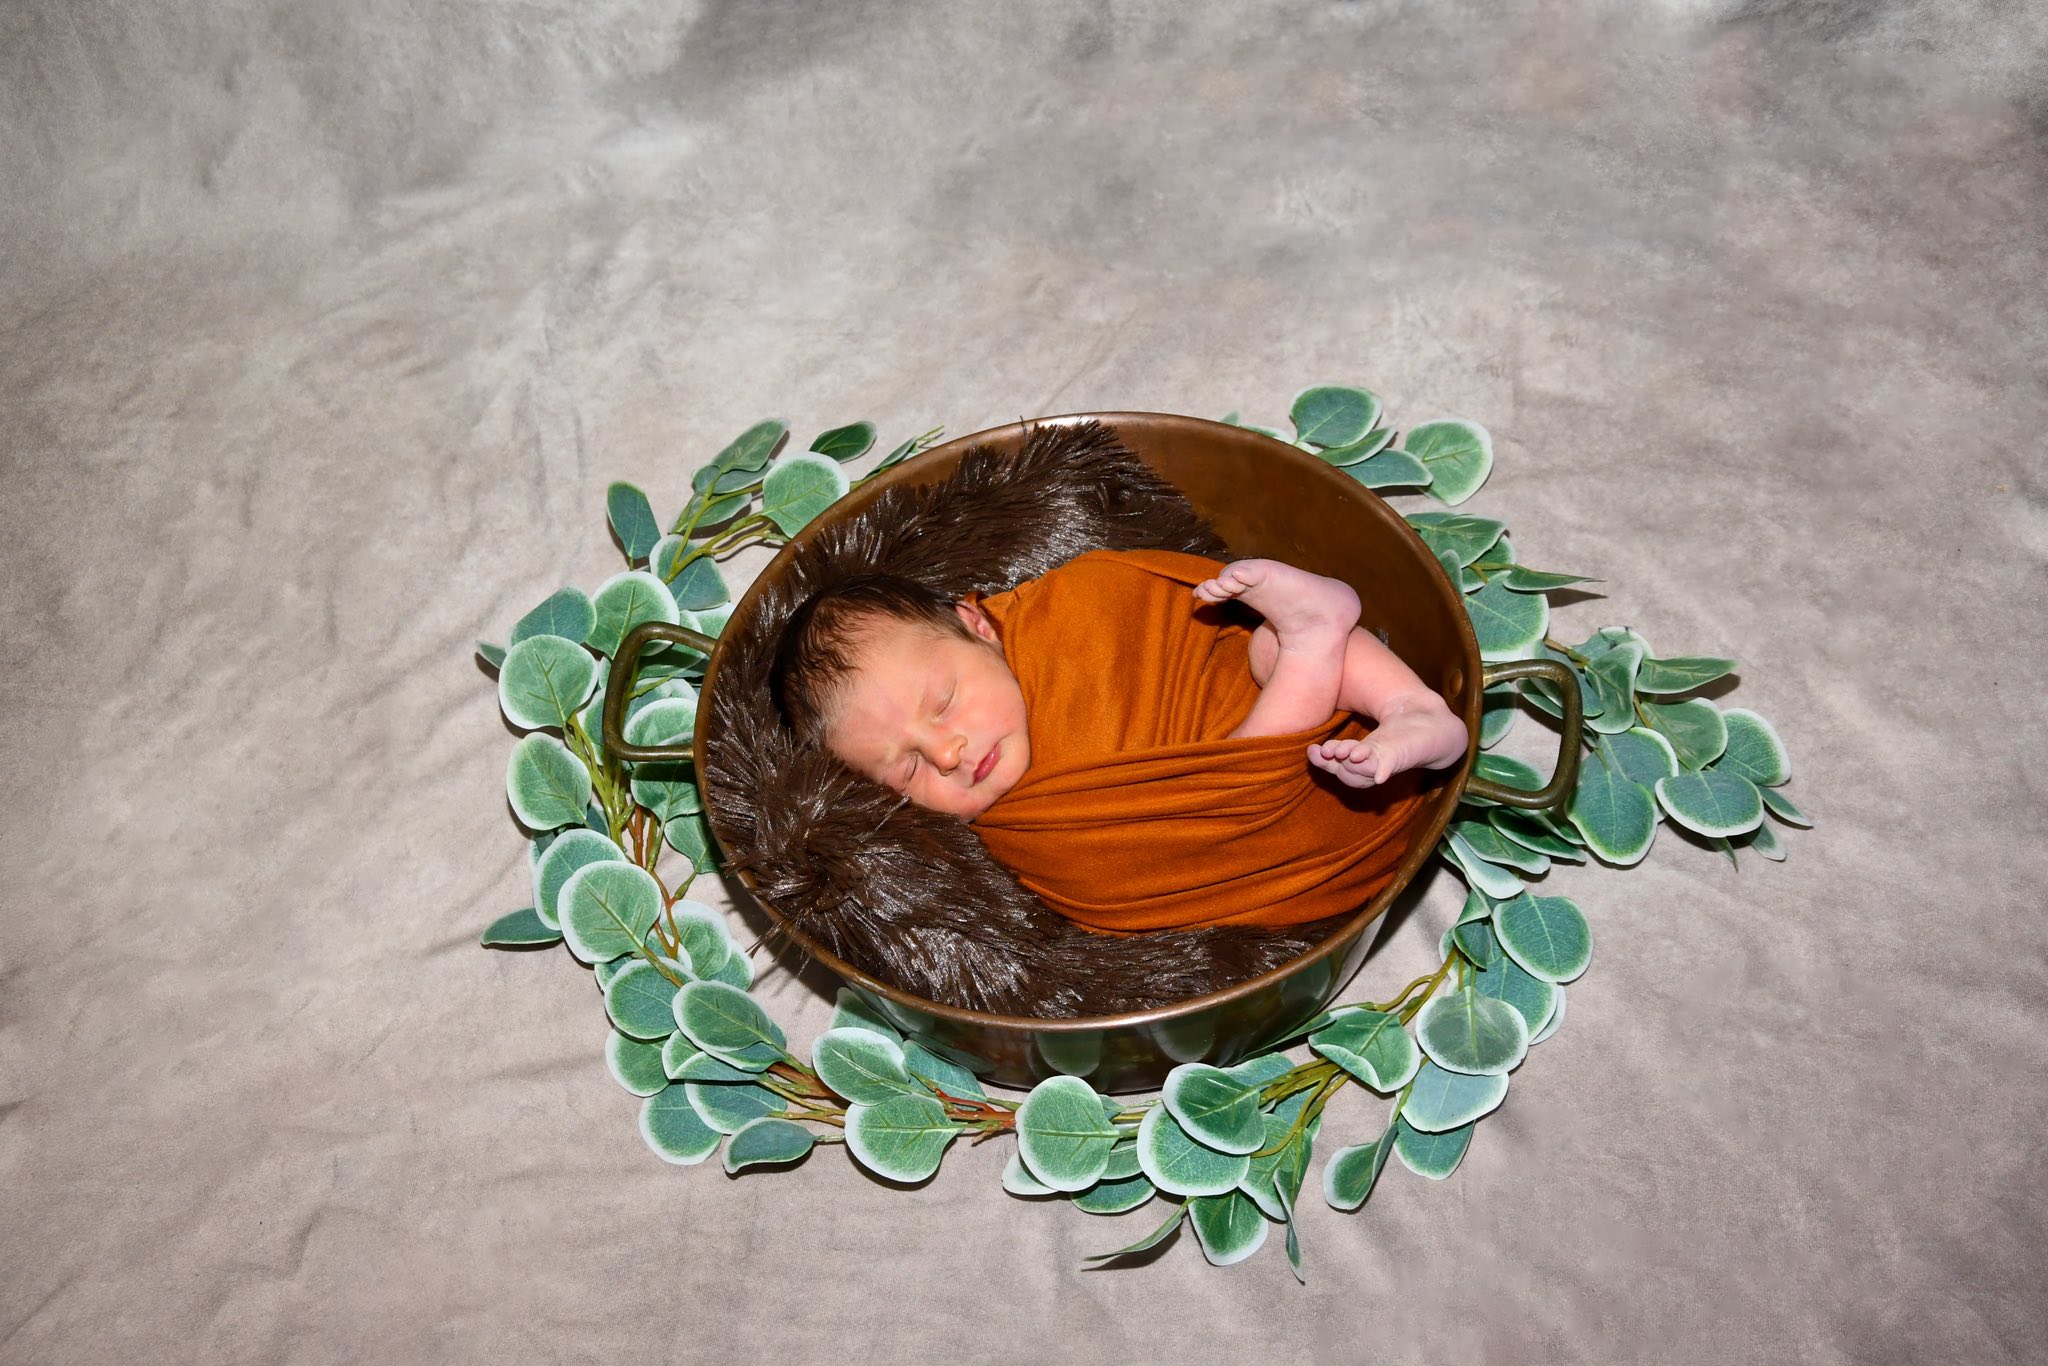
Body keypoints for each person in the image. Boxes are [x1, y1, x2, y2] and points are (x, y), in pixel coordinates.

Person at [770, 550, 1467, 932]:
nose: (949, 752)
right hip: (1273, 820)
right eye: (909, 766)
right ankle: (1314, 647)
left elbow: (1141, 611)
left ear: (976, 626)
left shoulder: (1066, 615)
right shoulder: (1016, 827)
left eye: (944, 701)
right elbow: (1121, 865)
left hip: (1250, 699)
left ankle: (1410, 706)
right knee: (1281, 660)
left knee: (1263, 647)